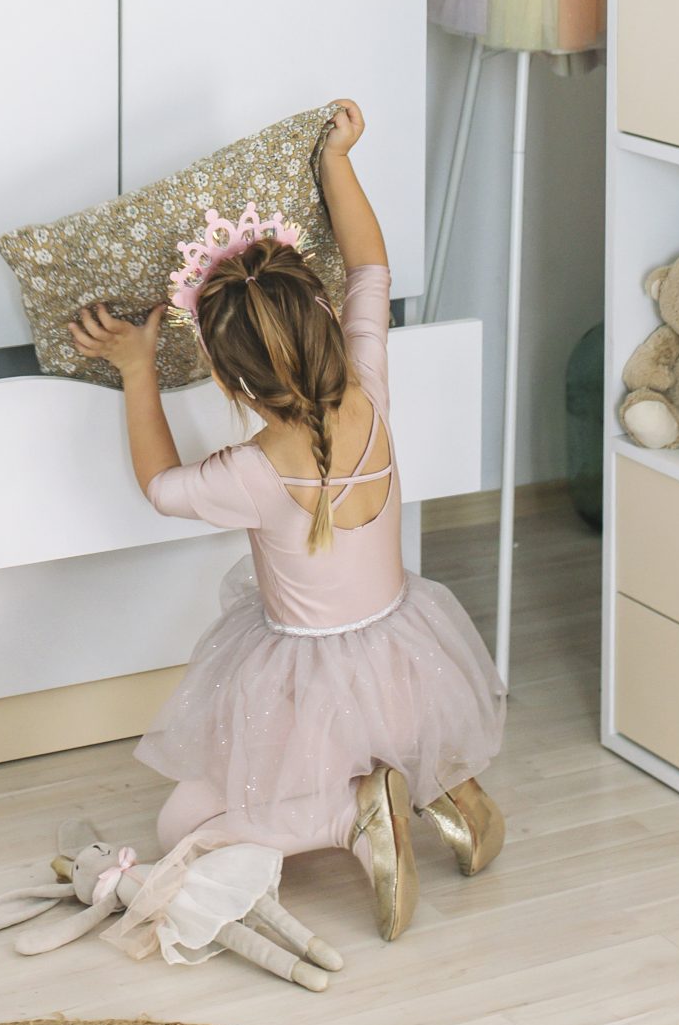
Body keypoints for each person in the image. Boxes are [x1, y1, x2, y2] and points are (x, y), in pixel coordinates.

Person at [68, 98, 505, 941]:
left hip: (311, 695)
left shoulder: (254, 471)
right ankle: (437, 786)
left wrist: (135, 369)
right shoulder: (367, 383)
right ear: (322, 319)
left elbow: (160, 486)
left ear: (226, 381)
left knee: (181, 825)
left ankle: (355, 818)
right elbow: (370, 270)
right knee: (338, 750)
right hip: (402, 667)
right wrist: (337, 159)